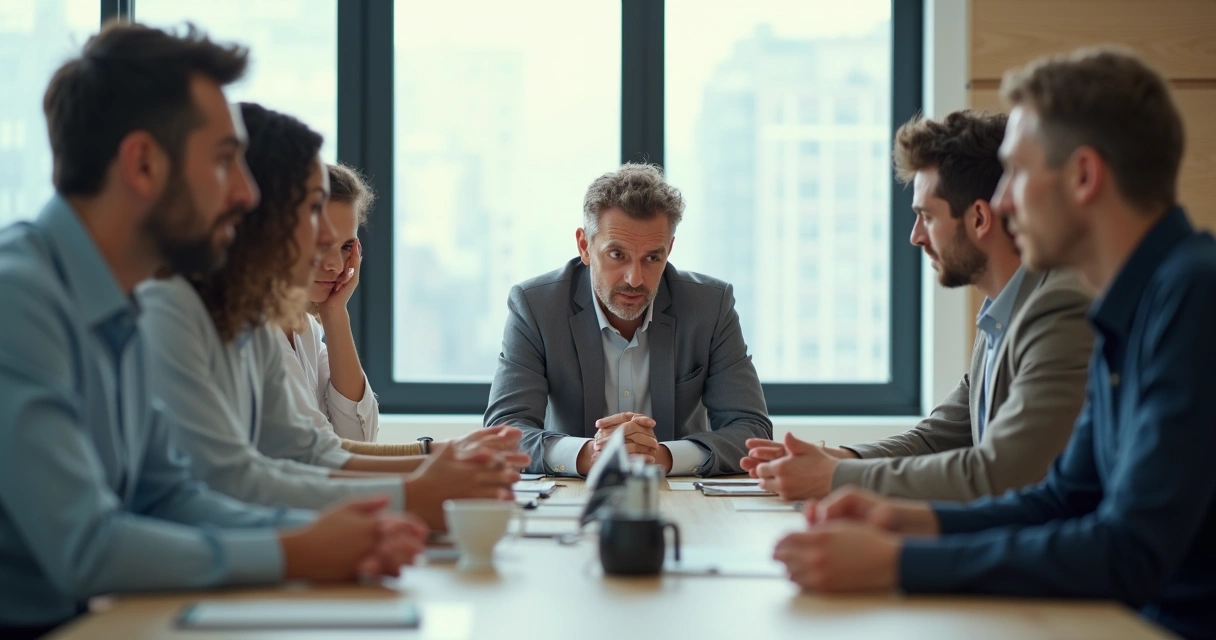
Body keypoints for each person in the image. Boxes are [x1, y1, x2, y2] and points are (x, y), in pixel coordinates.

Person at [771, 47, 1216, 640]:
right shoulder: (1130, 306)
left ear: (1083, 176)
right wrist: (902, 519)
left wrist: (898, 562)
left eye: (1020, 173)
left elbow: (1129, 550)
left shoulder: (1194, 294)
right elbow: (1061, 498)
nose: (1002, 202)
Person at [0, 23, 425, 638]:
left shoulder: (119, 300)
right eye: (226, 161)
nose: (248, 193)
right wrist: (296, 552)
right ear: (143, 163)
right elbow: (87, 546)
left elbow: (170, 495)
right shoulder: (21, 300)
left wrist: (340, 532)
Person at [139, 103, 522, 531]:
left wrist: (432, 470)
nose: (326, 245)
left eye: (345, 244)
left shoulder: (246, 313)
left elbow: (309, 450)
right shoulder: (173, 308)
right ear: (248, 203)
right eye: (309, 211)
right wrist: (413, 490)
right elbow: (236, 479)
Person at [741, 110, 1093, 501]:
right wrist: (834, 459)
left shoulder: (1058, 308)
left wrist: (834, 478)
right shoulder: (1001, 311)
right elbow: (939, 439)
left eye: (926, 216)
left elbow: (1001, 472)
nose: (915, 237)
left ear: (979, 218)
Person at [484, 163, 772, 477]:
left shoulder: (709, 307)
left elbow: (753, 433)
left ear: (669, 249)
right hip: (575, 497)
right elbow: (503, 434)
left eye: (652, 257)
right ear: (585, 246)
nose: (635, 279)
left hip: (680, 498)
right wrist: (588, 455)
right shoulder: (536, 306)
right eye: (617, 255)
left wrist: (663, 456)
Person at [278, 162, 512, 459]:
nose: (336, 265)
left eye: (346, 246)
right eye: (322, 245)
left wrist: (335, 313)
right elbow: (321, 452)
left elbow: (359, 436)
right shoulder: (255, 331)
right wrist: (435, 451)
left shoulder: (307, 329)